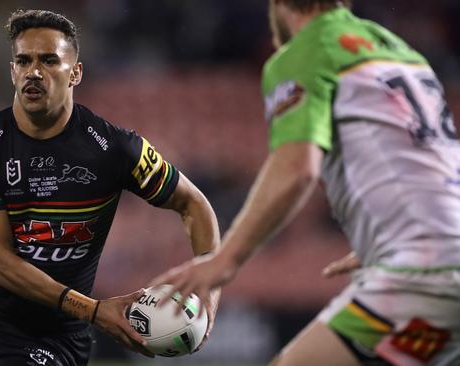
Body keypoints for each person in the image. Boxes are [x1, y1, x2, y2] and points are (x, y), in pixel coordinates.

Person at [152, 1, 460, 365]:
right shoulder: (403, 54)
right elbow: (434, 161)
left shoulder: (308, 50)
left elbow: (298, 168)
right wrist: (386, 234)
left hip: (424, 274)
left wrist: (226, 261)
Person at [0, 9, 220, 366]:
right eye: (23, 61)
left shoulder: (116, 148)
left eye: (48, 60)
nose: (34, 72)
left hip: (54, 336)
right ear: (12, 71)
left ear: (75, 72)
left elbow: (194, 205)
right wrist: (94, 310)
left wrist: (210, 291)